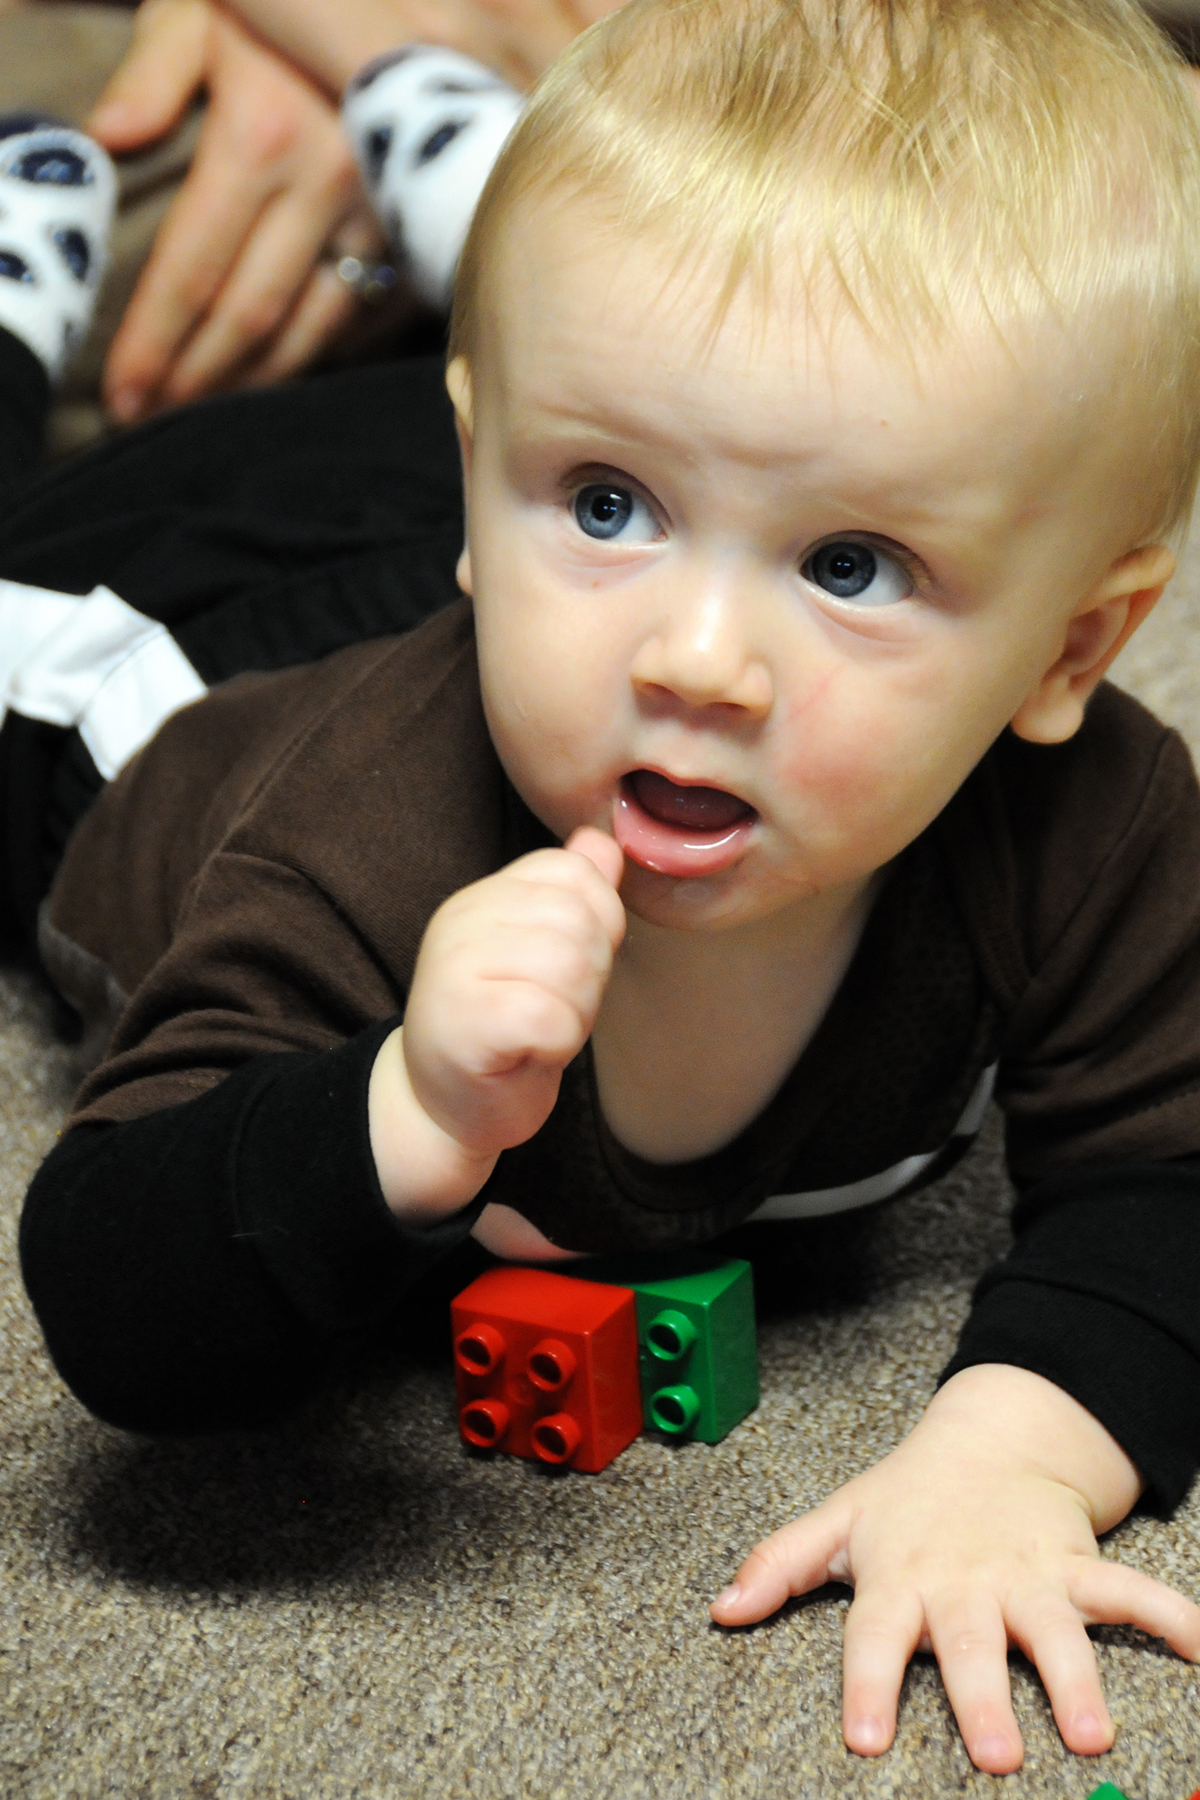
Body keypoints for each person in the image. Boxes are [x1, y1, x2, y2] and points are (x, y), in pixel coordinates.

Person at [5, 0, 1200, 1777]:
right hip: (160, 646)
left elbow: (1171, 1173)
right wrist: (400, 1111)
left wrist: (1017, 1450)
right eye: (609, 501)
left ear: (1073, 650)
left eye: (850, 564)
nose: (696, 659)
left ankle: (472, 219)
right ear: (481, 485)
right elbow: (114, 1296)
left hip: (469, 526)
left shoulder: (1090, 827)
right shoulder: (357, 842)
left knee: (648, 365)